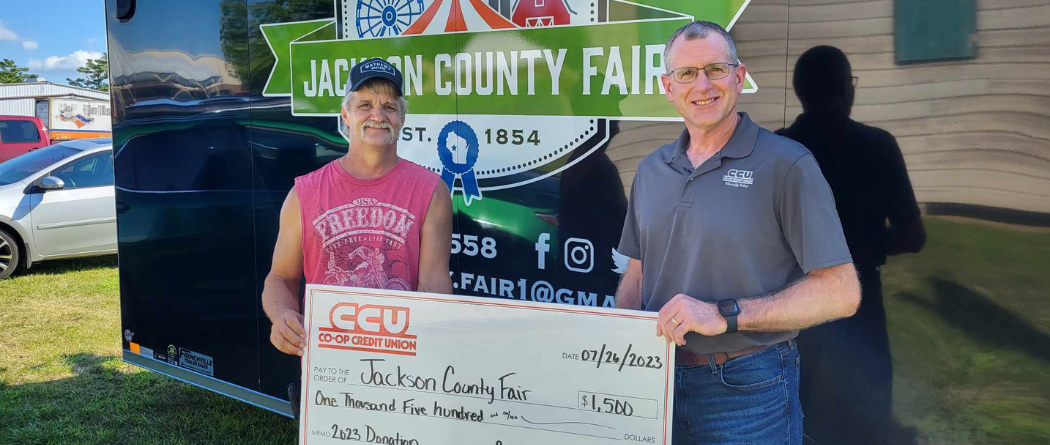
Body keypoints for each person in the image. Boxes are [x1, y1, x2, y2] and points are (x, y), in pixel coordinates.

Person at [615, 22, 861, 445]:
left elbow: (841, 292)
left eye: (716, 69)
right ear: (668, 87)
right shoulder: (651, 169)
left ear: (739, 77)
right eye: (687, 74)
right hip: (656, 381)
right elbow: (637, 274)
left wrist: (723, 314)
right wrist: (618, 349)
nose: (703, 85)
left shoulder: (786, 165)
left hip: (748, 388)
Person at [260, 58, 453, 415]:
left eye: (389, 106)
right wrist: (282, 315)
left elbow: (434, 289)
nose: (378, 115)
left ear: (402, 119)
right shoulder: (305, 193)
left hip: (403, 375)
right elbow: (280, 277)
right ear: (345, 115)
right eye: (365, 104)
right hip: (328, 375)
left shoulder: (432, 191)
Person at [776, 45, 926, 445]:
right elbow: (914, 236)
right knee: (867, 418)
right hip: (860, 299)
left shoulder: (776, 150)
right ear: (845, 88)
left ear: (800, 91)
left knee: (791, 414)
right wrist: (858, 244)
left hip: (792, 304)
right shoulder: (878, 145)